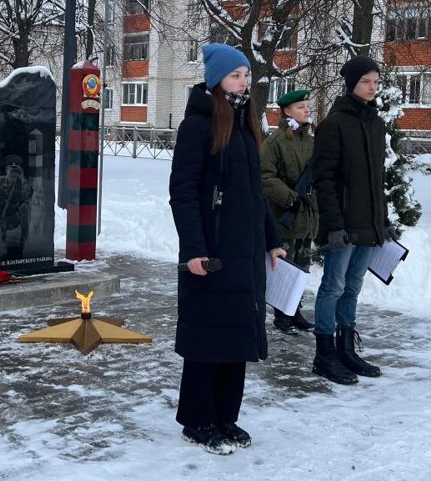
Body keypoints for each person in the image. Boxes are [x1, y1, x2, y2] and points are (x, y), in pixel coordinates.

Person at [169, 43, 286, 455]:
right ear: (216, 78)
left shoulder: (246, 124)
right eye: (236, 75)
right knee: (207, 337)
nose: (243, 82)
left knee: (236, 336)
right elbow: (182, 193)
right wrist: (194, 250)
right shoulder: (197, 126)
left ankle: (225, 417)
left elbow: (256, 195)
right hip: (213, 253)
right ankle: (198, 420)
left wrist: (272, 241)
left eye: (246, 75)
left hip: (245, 250)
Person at [311, 55, 396, 385]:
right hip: (343, 226)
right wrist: (334, 225)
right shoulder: (335, 123)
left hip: (367, 223)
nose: (372, 87)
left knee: (354, 287)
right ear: (351, 84)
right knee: (333, 286)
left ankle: (346, 349)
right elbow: (324, 179)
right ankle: (324, 354)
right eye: (366, 81)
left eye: (376, 82)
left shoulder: (375, 122)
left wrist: (383, 219)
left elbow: (377, 178)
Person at [260, 89, 319, 335]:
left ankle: (294, 310)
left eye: (307, 106)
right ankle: (281, 315)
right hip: (284, 216)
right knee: (285, 268)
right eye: (300, 107)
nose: (306, 110)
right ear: (287, 111)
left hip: (305, 215)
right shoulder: (276, 141)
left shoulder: (309, 139)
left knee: (302, 267)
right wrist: (290, 198)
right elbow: (265, 176)